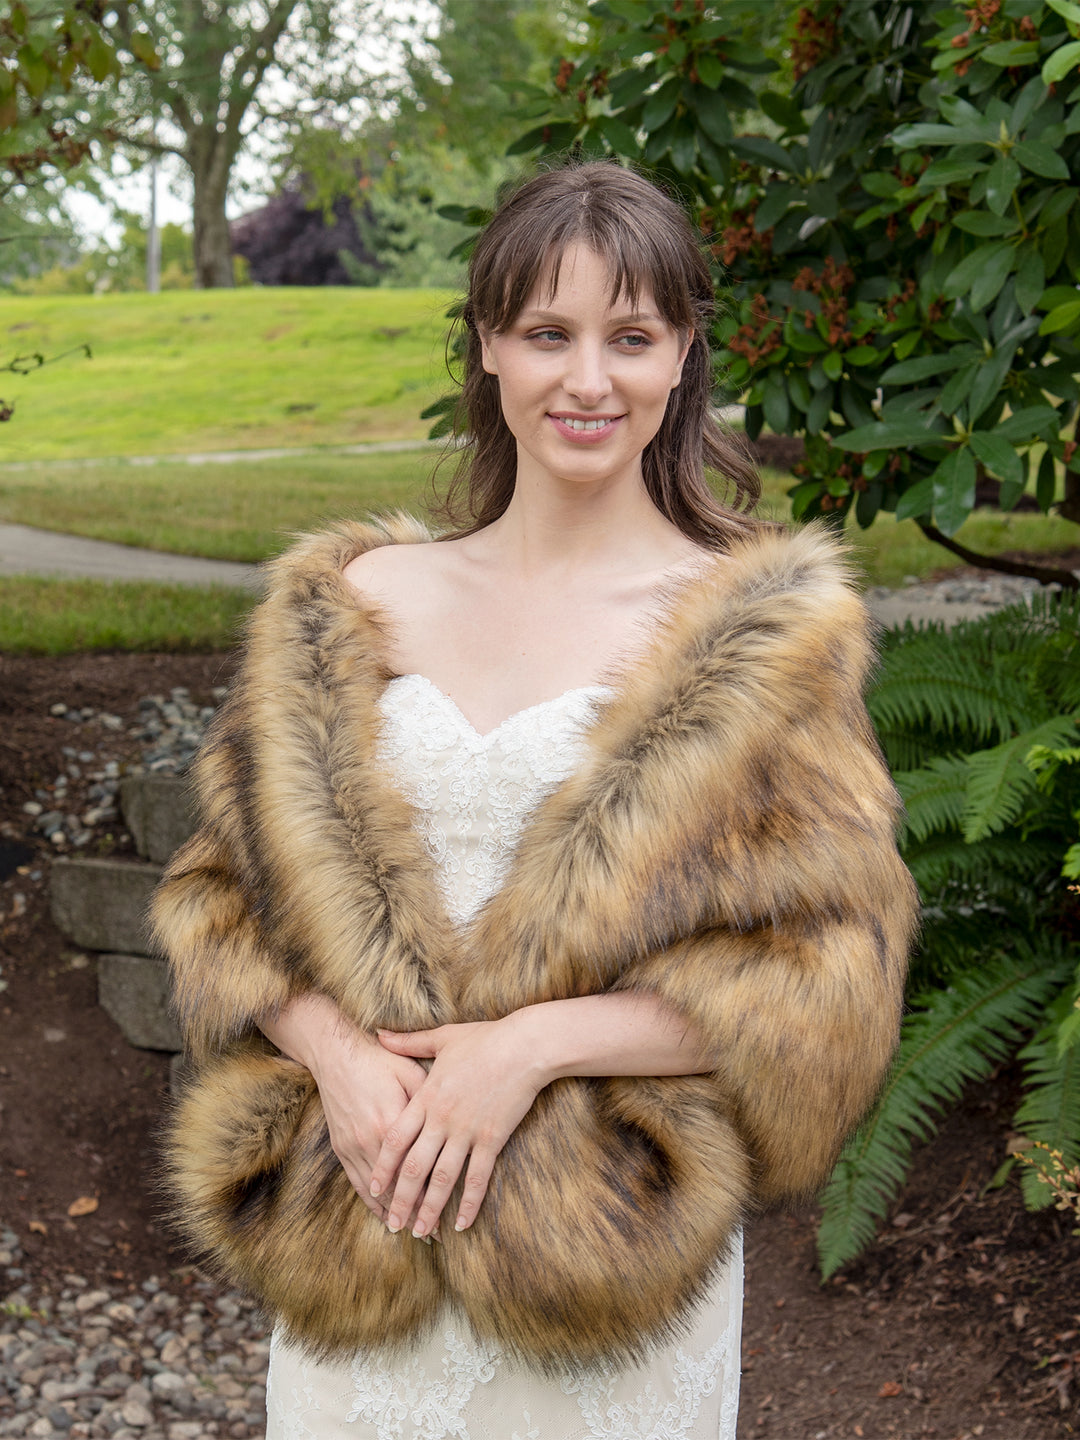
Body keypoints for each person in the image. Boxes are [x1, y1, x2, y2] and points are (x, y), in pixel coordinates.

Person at [153, 162, 918, 1440]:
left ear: (683, 360)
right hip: (361, 1233)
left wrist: (530, 1049)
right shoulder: (355, 606)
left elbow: (828, 978)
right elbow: (215, 906)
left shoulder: (761, 640)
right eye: (547, 334)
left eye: (631, 337)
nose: (587, 380)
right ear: (491, 350)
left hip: (604, 1271)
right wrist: (340, 1062)